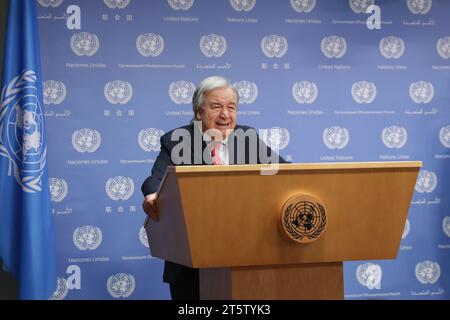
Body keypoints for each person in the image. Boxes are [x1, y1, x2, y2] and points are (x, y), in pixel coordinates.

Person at [141, 75, 286, 300]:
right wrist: (153, 196)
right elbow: (155, 181)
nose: (225, 115)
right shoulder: (177, 141)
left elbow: (285, 171)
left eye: (231, 107)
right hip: (191, 263)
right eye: (216, 106)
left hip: (246, 255)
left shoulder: (247, 138)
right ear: (198, 112)